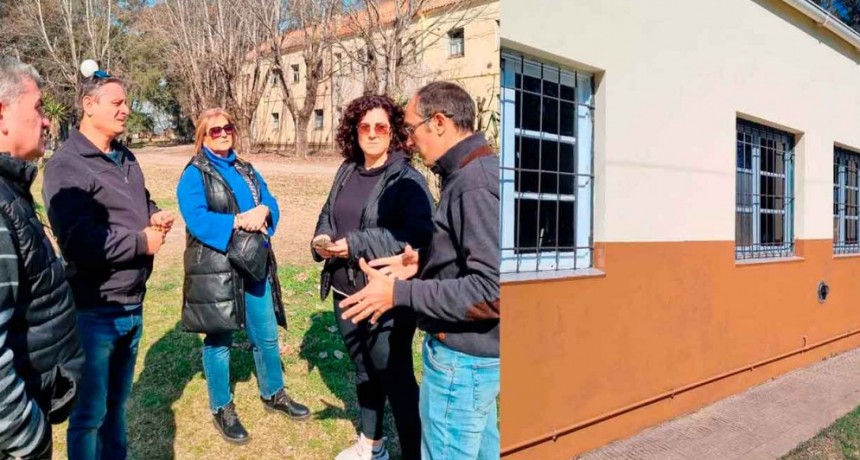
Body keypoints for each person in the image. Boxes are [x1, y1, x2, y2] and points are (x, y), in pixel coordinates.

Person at [339, 82, 500, 460]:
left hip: (462, 363)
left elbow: (492, 290)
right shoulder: (470, 173)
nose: (408, 140)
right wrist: (423, 261)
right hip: (473, 360)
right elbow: (471, 255)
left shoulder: (474, 184)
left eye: (411, 129)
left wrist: (399, 293)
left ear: (439, 122)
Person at [42, 64, 174, 460]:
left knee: (116, 406)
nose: (126, 109)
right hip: (95, 311)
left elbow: (140, 198)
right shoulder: (66, 165)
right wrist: (140, 242)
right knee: (89, 415)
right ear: (88, 105)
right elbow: (79, 243)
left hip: (133, 303)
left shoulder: (124, 156)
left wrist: (154, 214)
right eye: (117, 102)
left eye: (126, 102)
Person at [176, 108, 309, 445]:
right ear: (203, 137)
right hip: (217, 268)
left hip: (253, 263)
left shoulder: (245, 168)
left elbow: (269, 199)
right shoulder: (194, 173)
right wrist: (237, 221)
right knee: (219, 340)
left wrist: (264, 210)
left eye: (228, 128)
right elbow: (197, 219)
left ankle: (274, 392)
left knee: (266, 333)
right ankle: (222, 406)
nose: (223, 134)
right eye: (215, 130)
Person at [312, 94, 434, 460]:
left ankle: (414, 454)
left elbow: (416, 237)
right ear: (354, 130)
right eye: (364, 126)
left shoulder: (407, 179)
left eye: (381, 126)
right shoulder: (348, 169)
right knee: (364, 369)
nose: (372, 133)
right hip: (344, 292)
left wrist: (355, 243)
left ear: (393, 131)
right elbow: (329, 213)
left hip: (386, 297)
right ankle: (372, 445)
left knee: (397, 379)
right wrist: (322, 238)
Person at [0, 56, 84, 460]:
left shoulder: (10, 190)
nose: (47, 121)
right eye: (37, 107)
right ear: (2, 114)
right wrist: (28, 438)